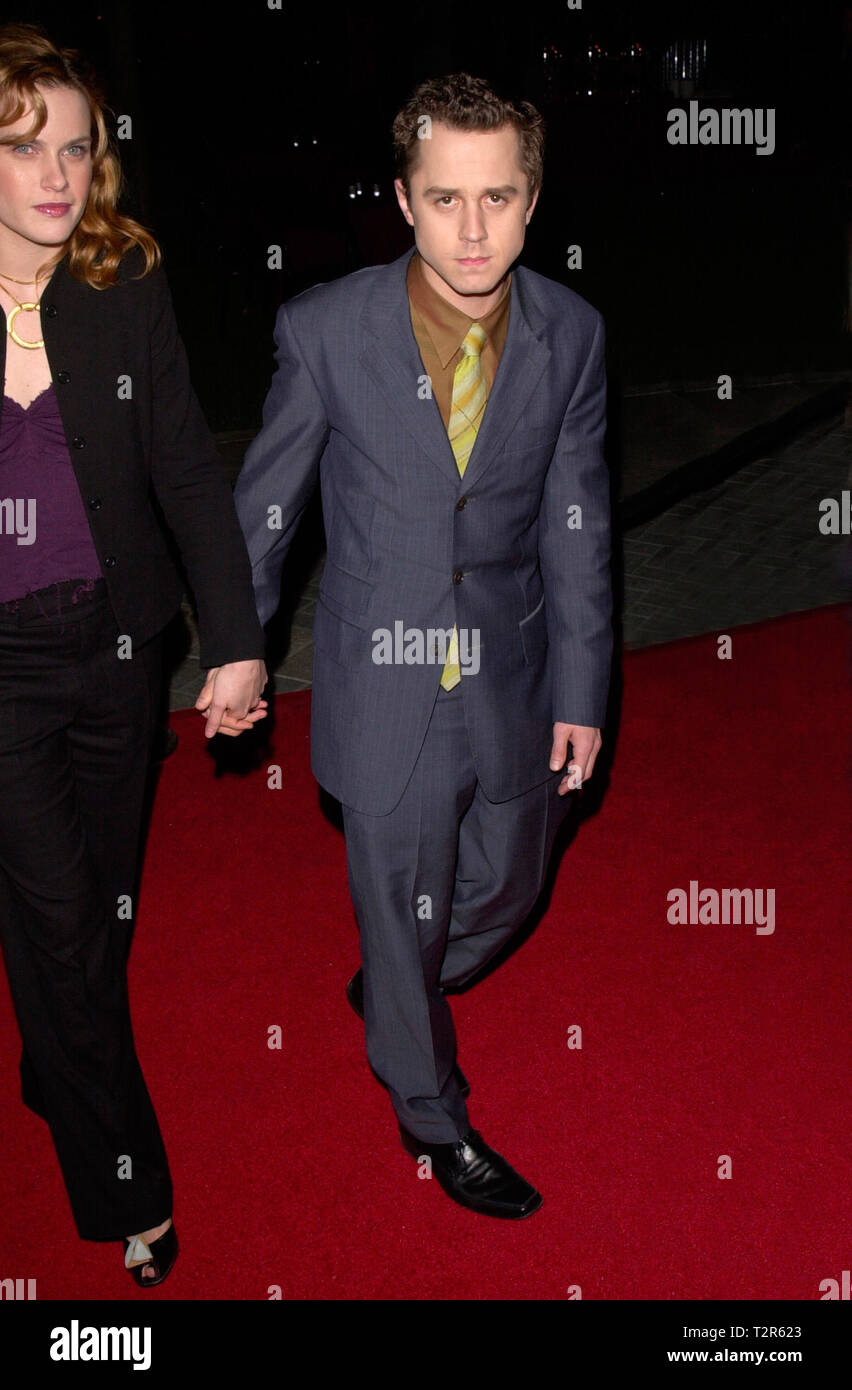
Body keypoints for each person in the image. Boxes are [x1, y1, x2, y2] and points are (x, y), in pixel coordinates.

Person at [235, 72, 612, 1219]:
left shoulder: (572, 335)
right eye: (445, 198)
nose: (473, 230)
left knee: (507, 883)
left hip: (511, 667)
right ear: (402, 198)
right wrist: (238, 646)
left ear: (533, 198)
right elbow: (267, 507)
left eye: (498, 197)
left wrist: (586, 690)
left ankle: (401, 981)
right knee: (404, 896)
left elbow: (577, 524)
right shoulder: (325, 329)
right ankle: (431, 1113)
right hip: (380, 678)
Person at [0, 23, 268, 1284]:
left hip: (117, 650)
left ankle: (55, 1055)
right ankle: (131, 1189)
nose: (60, 174)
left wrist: (235, 640)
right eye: (25, 149)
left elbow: (183, 468)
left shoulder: (121, 282)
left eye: (78, 146)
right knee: (59, 926)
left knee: (94, 915)